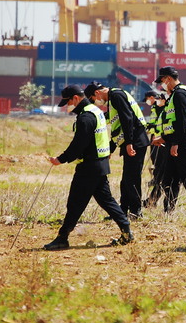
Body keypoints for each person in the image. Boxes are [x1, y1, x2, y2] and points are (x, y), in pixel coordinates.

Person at [44, 85, 133, 250]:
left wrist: (61, 159)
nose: (67, 107)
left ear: (75, 99)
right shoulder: (95, 111)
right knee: (107, 201)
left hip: (89, 167)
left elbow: (79, 144)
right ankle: (127, 231)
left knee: (75, 203)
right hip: (99, 164)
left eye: (68, 102)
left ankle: (62, 238)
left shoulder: (86, 117)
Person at [85, 81, 149, 219]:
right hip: (130, 141)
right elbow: (117, 128)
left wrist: (129, 142)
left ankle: (136, 212)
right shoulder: (113, 98)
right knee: (126, 179)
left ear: (96, 93)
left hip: (135, 141)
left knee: (132, 178)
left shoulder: (116, 95)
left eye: (93, 100)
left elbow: (128, 119)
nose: (96, 102)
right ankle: (122, 211)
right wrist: (111, 149)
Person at [153, 66, 186, 213]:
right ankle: (168, 210)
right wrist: (164, 138)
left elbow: (181, 122)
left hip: (182, 141)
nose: (162, 84)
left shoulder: (180, 94)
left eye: (162, 81)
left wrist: (175, 143)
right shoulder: (174, 95)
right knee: (169, 178)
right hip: (175, 140)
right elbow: (173, 122)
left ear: (169, 78)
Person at [142, 91, 166, 208]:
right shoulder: (155, 108)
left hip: (162, 144)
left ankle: (152, 200)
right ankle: (152, 200)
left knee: (163, 175)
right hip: (157, 141)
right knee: (161, 174)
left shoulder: (162, 109)